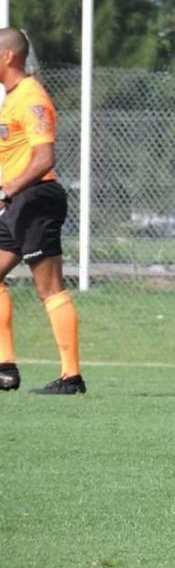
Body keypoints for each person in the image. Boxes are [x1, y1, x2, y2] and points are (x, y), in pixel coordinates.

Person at [0, 28, 85, 395]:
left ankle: (71, 377)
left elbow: (43, 157)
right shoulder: (12, 98)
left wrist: (6, 190)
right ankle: (5, 368)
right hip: (19, 202)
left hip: (36, 199)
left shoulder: (32, 97)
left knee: (48, 287)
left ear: (7, 57)